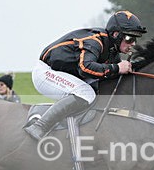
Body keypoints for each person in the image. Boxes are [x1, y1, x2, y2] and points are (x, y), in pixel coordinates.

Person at [25, 10, 146, 140]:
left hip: (65, 73)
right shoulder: (95, 42)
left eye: (135, 39)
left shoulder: (112, 50)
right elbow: (85, 67)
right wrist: (116, 68)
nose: (133, 43)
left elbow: (110, 76)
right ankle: (40, 126)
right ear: (116, 34)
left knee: (98, 91)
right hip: (46, 72)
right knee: (86, 93)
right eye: (129, 38)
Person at [0, 73, 21, 170]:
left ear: (8, 87)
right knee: (0, 165)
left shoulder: (16, 100)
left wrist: (9, 99)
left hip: (13, 138)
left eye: (2, 85)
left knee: (13, 166)